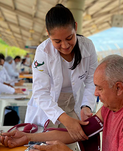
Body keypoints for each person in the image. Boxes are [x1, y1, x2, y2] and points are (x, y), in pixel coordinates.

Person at [25, 4, 98, 143]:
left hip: (74, 104)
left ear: (75, 27)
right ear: (48, 33)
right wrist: (65, 119)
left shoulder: (87, 46)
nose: (65, 46)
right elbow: (41, 92)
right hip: (48, 108)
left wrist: (86, 106)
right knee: (44, 148)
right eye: (57, 41)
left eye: (69, 37)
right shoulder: (43, 52)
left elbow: (91, 82)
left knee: (71, 150)